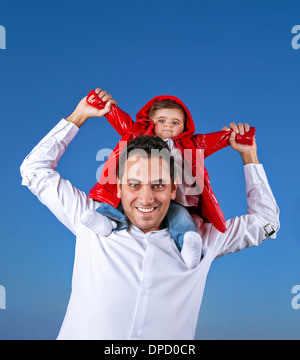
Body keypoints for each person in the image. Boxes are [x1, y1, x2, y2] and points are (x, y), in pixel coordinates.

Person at [20, 89, 279, 340]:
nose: (146, 199)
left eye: (158, 185)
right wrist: (79, 116)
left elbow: (267, 221)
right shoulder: (89, 218)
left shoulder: (203, 239)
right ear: (119, 185)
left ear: (174, 187)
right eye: (134, 184)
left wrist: (249, 156)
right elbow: (34, 170)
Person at [85, 88, 256, 268]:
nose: (168, 125)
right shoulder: (139, 134)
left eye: (175, 122)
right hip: (142, 188)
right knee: (120, 201)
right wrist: (103, 104)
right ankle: (106, 221)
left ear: (185, 126)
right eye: (161, 120)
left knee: (181, 218)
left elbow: (215, 140)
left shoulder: (193, 145)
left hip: (176, 198)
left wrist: (235, 136)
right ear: (150, 122)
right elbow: (122, 121)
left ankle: (188, 245)